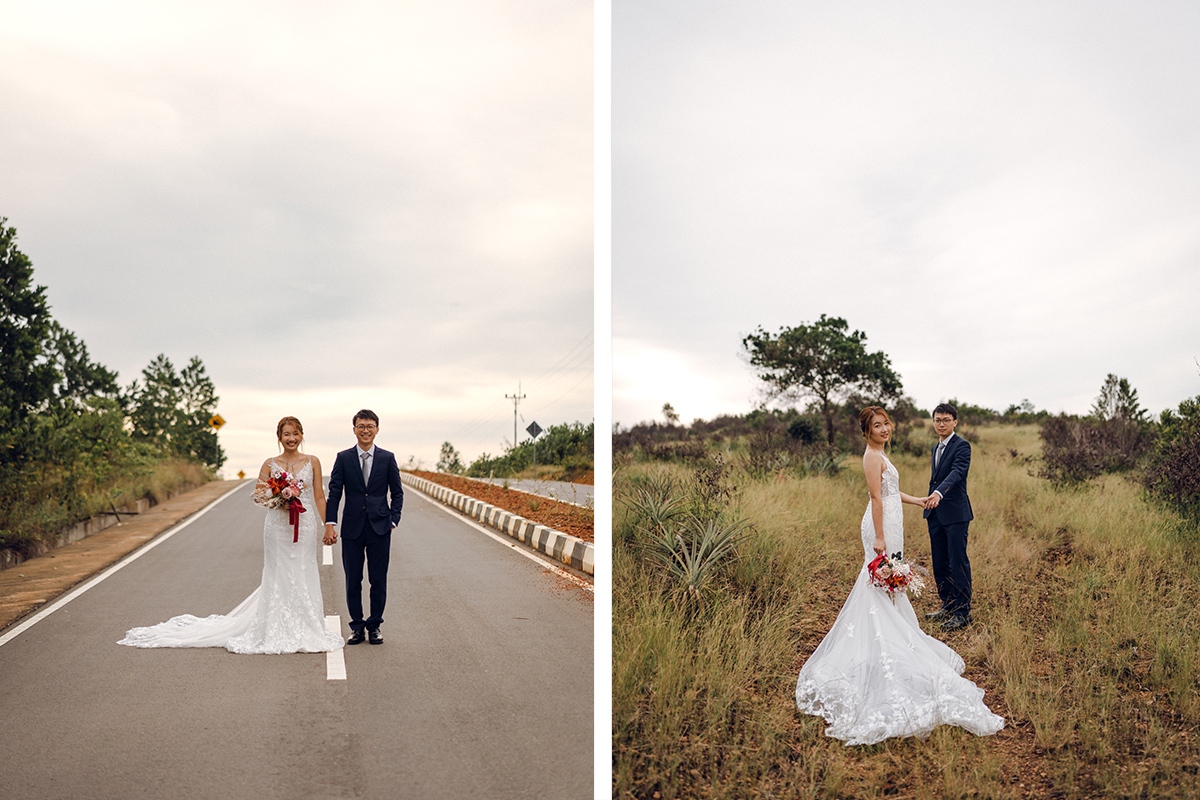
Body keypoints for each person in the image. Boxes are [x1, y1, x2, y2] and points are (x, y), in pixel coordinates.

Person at [794, 406, 1003, 745]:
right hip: (881, 527)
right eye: (878, 426)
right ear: (867, 430)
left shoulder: (883, 454)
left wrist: (917, 500)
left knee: (890, 584)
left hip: (893, 520)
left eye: (886, 424)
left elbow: (890, 494)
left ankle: (904, 630)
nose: (884, 429)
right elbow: (876, 498)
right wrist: (879, 536)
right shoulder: (871, 457)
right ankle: (883, 641)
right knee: (878, 580)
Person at [119, 417, 344, 654]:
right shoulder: (270, 464)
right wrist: (279, 501)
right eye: (286, 434)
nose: (291, 439)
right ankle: (274, 627)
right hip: (277, 527)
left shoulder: (313, 461)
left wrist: (328, 524)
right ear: (279, 437)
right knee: (278, 573)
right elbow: (257, 495)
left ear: (301, 436)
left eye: (295, 434)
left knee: (303, 570)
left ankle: (307, 626)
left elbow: (319, 496)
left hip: (305, 525)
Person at [323, 409, 403, 645]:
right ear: (354, 429)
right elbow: (334, 493)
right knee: (352, 579)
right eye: (361, 426)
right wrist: (331, 522)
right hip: (352, 528)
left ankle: (375, 625)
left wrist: (393, 519)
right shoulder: (344, 458)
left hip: (380, 527)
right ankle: (356, 626)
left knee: (378, 579)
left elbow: (397, 492)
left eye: (370, 426)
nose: (365, 430)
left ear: (377, 429)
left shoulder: (387, 458)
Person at [923, 403, 974, 631]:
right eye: (937, 420)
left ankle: (962, 613)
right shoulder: (936, 447)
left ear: (955, 421)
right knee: (940, 562)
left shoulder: (962, 446)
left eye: (945, 420)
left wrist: (938, 492)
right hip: (935, 513)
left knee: (957, 562)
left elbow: (957, 473)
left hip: (955, 513)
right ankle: (948, 603)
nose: (941, 424)